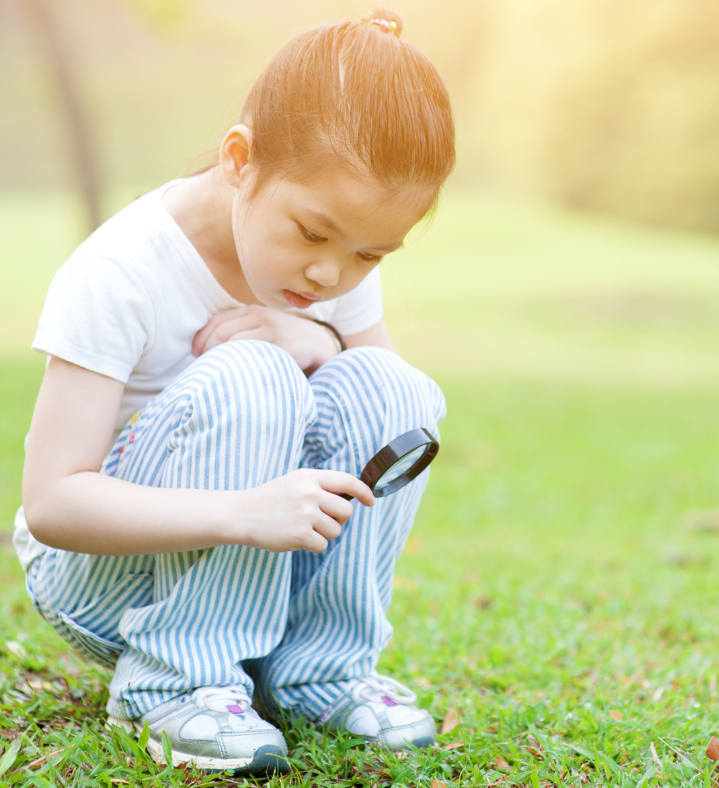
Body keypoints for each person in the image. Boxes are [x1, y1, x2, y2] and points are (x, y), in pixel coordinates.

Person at [14, 8, 455, 777]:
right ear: (239, 158)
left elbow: (382, 405)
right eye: (313, 234)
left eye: (371, 253)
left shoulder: (331, 271)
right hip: (105, 582)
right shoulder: (121, 270)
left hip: (263, 584)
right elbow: (53, 504)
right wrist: (240, 512)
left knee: (397, 384)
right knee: (254, 373)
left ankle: (322, 668)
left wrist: (315, 337)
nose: (330, 276)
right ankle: (177, 682)